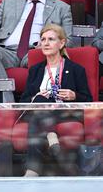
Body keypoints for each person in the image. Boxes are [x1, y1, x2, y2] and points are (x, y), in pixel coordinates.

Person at [20, 24, 92, 177]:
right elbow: (24, 99)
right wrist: (35, 98)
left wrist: (74, 96)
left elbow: (88, 99)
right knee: (39, 101)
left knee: (36, 120)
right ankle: (52, 137)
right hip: (39, 110)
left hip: (64, 112)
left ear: (62, 43)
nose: (45, 43)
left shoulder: (75, 69)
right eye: (43, 39)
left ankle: (32, 170)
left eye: (51, 39)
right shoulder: (35, 70)